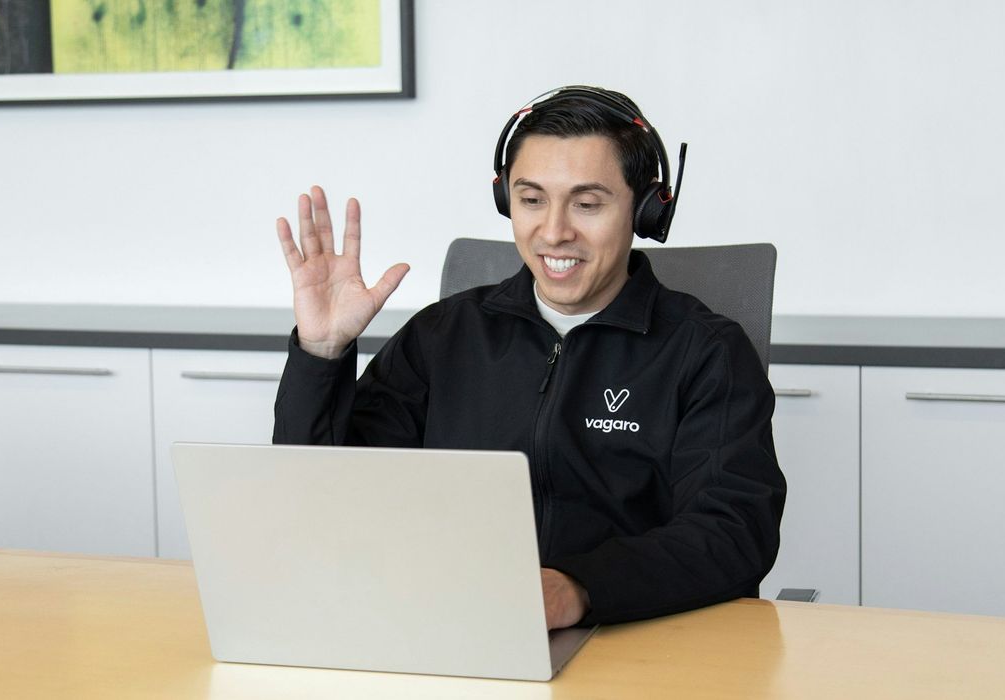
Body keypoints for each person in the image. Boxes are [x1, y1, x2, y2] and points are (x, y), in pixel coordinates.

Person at [273, 86, 785, 630]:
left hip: (637, 640)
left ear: (644, 209)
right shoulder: (442, 336)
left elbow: (734, 531)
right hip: (454, 628)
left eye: (587, 204)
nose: (554, 231)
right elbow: (324, 501)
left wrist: (578, 589)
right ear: (506, 201)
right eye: (532, 199)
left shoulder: (705, 352)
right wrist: (321, 354)